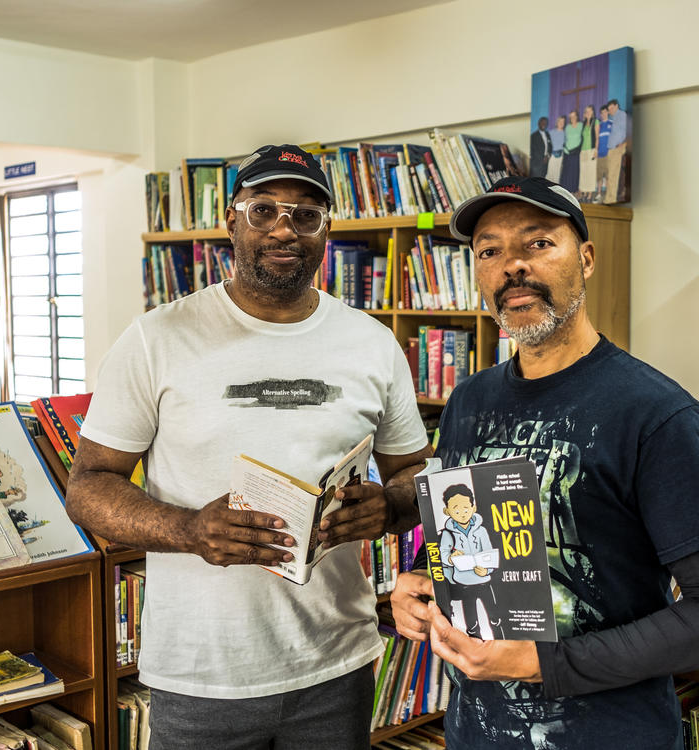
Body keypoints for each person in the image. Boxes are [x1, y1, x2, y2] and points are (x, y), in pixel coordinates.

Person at [66, 143, 433, 750]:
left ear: (326, 231)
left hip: (335, 665)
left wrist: (390, 508)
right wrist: (189, 530)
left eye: (306, 214)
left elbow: (412, 470)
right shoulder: (155, 339)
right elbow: (89, 487)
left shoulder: (372, 343)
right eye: (263, 210)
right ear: (229, 220)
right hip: (202, 674)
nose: (284, 229)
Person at [390, 176, 699, 749]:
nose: (512, 266)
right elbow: (458, 533)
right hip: (474, 733)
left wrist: (545, 662)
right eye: (490, 251)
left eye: (538, 244)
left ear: (586, 259)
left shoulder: (658, 416)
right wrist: (420, 580)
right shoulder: (469, 400)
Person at [437, 482, 501, 640]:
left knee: (495, 617)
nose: (462, 513)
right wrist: (451, 559)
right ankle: (475, 643)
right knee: (471, 623)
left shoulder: (481, 530)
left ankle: (500, 638)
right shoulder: (447, 534)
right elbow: (442, 553)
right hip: (463, 583)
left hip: (484, 580)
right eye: (456, 509)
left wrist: (487, 570)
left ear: (473, 508)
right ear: (447, 511)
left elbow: (489, 553)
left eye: (466, 508)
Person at [605, 98, 629, 203]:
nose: (609, 111)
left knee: (613, 175)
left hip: (617, 149)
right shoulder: (613, 118)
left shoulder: (622, 115)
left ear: (616, 106)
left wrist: (624, 144)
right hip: (610, 149)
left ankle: (611, 199)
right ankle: (609, 198)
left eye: (610, 108)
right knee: (610, 175)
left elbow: (628, 130)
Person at [578, 104, 598, 201]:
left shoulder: (596, 122)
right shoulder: (583, 124)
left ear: (593, 112)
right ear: (585, 114)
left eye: (590, 111)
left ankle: (590, 194)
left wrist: (596, 150)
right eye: (587, 111)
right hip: (583, 150)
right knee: (583, 172)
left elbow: (597, 137)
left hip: (591, 150)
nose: (588, 113)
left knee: (591, 172)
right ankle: (584, 193)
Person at [561, 109, 583, 193]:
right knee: (566, 172)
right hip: (567, 152)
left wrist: (577, 149)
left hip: (576, 152)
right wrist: (565, 149)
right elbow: (565, 140)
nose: (572, 118)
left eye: (574, 116)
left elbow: (583, 138)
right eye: (571, 117)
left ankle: (573, 190)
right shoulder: (567, 127)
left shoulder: (581, 125)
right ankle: (566, 190)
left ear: (577, 116)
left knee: (574, 172)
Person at [595, 104, 612, 203]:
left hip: (608, 154)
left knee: (609, 176)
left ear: (608, 112)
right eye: (601, 113)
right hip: (600, 154)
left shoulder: (612, 123)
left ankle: (609, 195)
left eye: (605, 112)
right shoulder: (599, 125)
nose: (603, 114)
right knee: (599, 176)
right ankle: (599, 194)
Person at [545, 115, 566, 183]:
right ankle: (547, 188)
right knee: (550, 173)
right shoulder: (551, 132)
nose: (561, 123)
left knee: (557, 174)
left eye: (563, 122)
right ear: (557, 122)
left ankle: (556, 190)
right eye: (560, 121)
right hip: (552, 155)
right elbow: (547, 144)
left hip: (560, 156)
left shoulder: (565, 133)